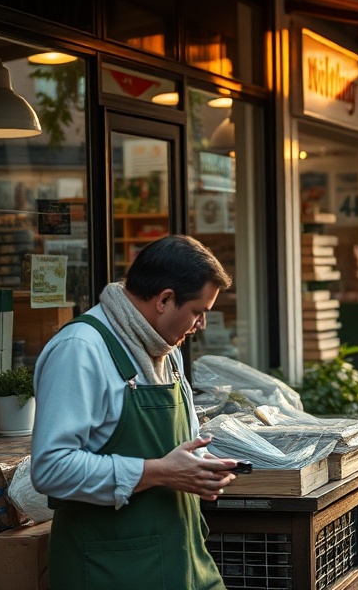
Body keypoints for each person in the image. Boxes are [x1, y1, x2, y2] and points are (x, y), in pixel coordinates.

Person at [31, 235, 240, 590]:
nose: (201, 324)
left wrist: (202, 468)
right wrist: (158, 472)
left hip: (185, 562)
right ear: (164, 300)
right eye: (198, 312)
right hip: (111, 571)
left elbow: (185, 443)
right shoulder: (80, 349)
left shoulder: (166, 350)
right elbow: (51, 468)